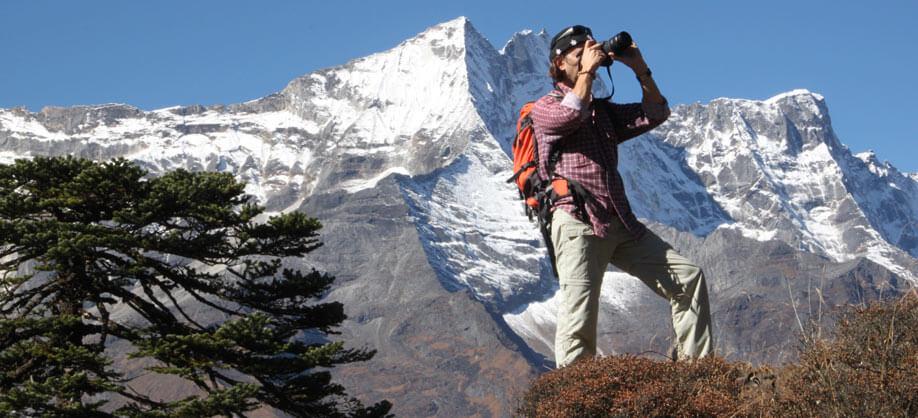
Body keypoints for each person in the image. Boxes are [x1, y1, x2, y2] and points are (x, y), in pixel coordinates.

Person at [529, 25, 714, 368]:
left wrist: (639, 68)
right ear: (559, 64)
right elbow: (570, 114)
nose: (588, 56)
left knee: (688, 279)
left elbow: (657, 113)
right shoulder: (544, 109)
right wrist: (587, 71)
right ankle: (574, 402)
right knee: (578, 316)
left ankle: (698, 376)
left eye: (591, 49)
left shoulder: (603, 112)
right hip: (577, 222)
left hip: (619, 221)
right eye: (578, 53)